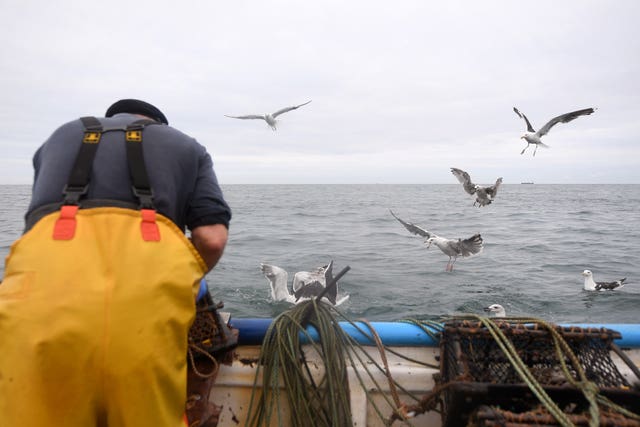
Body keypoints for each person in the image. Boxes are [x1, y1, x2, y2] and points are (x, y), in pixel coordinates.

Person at [0, 99, 231, 426]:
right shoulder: (185, 146)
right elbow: (211, 238)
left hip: (36, 305)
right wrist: (185, 284)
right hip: (140, 317)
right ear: (158, 125)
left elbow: (38, 226)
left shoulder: (59, 137)